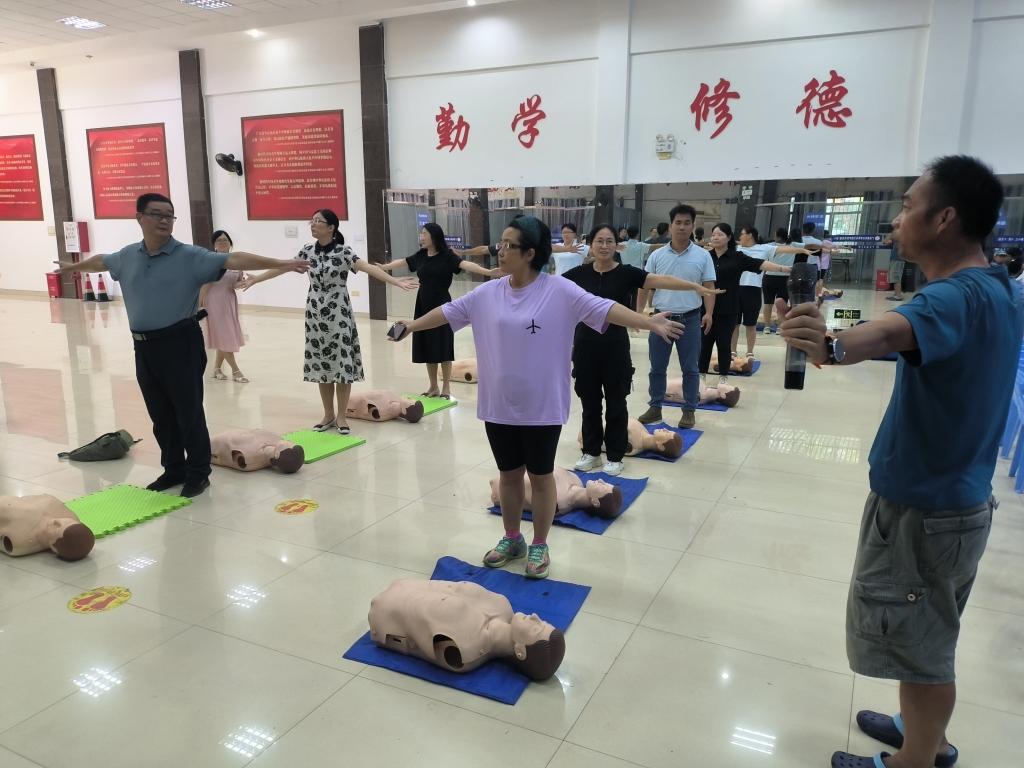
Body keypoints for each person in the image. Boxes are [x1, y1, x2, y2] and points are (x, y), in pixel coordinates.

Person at [778, 156, 1022, 768]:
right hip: (957, 500)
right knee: (928, 629)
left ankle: (917, 759)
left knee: (922, 650)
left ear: (944, 218)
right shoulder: (998, 287)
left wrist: (831, 346)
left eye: (909, 205)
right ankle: (923, 735)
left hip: (926, 509)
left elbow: (889, 332)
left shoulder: (953, 295)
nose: (896, 218)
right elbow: (908, 337)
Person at [388, 215, 683, 580]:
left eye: (508, 245)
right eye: (500, 244)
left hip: (542, 405)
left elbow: (605, 308)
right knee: (509, 476)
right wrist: (411, 326)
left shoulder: (559, 291)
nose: (500, 251)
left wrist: (648, 322)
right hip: (499, 403)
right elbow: (448, 312)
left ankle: (540, 543)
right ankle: (512, 538)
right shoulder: (488, 293)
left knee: (541, 477)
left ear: (529, 253)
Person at [55, 193, 309, 497]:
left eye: (169, 215)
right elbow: (101, 260)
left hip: (180, 343)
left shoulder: (190, 256)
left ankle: (198, 473)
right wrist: (72, 267)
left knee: (188, 413)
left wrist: (282, 263)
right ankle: (173, 469)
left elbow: (233, 259)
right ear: (140, 218)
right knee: (160, 414)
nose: (165, 220)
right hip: (144, 347)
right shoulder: (127, 256)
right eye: (157, 214)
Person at [564, 223, 722, 476]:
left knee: (616, 403)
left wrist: (694, 286)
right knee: (590, 403)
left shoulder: (626, 273)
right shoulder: (576, 275)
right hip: (585, 347)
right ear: (591, 245)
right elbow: (547, 289)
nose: (604, 246)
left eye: (609, 241)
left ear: (617, 246)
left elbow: (660, 280)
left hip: (615, 347)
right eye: (599, 241)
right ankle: (591, 452)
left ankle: (615, 455)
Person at [242, 209, 416, 435]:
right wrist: (257, 278)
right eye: (312, 221)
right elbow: (283, 267)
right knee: (321, 364)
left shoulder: (344, 252)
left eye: (318, 221)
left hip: (339, 313)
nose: (313, 225)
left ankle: (342, 416)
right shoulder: (307, 251)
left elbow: (368, 268)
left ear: (331, 227)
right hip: (315, 313)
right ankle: (328, 414)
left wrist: (395, 282)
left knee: (341, 363)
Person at [377, 223, 498, 398]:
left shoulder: (447, 256)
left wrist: (488, 272)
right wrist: (384, 268)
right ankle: (433, 386)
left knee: (443, 346)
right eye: (421, 234)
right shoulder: (421, 255)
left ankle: (446, 387)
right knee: (427, 346)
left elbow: (465, 265)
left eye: (424, 233)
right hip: (422, 304)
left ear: (434, 236)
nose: (421, 237)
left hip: (442, 304)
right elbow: (403, 262)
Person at [635, 204, 716, 430]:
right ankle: (655, 407)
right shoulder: (657, 255)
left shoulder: (703, 256)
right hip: (661, 319)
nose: (682, 227)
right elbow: (644, 286)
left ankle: (689, 409)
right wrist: (638, 314)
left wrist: (709, 313)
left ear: (693, 226)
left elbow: (709, 286)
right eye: (678, 223)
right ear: (670, 226)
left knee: (690, 368)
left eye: (687, 223)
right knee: (657, 367)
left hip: (690, 319)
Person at [699, 223, 790, 386]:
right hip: (706, 308)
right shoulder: (705, 256)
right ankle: (701, 378)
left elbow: (759, 264)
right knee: (704, 344)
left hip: (728, 307)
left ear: (728, 237)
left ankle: (723, 378)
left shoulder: (737, 257)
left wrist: (784, 269)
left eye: (719, 234)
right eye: (713, 235)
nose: (715, 237)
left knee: (724, 344)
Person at [731, 226, 812, 360]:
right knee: (734, 323)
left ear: (750, 235)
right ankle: (732, 351)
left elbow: (784, 249)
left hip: (753, 289)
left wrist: (802, 250)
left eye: (742, 234)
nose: (740, 237)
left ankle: (750, 351)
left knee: (750, 324)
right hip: (736, 288)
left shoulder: (764, 248)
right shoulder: (736, 249)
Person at [200, 230, 249, 383]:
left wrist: (242, 283)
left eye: (225, 240)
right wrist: (200, 302)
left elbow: (235, 283)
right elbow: (204, 282)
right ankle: (236, 371)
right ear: (214, 245)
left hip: (229, 301)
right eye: (219, 240)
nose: (222, 242)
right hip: (213, 302)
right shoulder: (210, 261)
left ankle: (217, 369)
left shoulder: (236, 263)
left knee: (223, 335)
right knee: (225, 335)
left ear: (230, 243)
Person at [884, 235, 906, 301]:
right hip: (897, 259)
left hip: (897, 259)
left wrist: (888, 236)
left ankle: (898, 296)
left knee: (896, 277)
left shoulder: (898, 236)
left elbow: (886, 242)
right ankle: (896, 294)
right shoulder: (900, 236)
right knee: (895, 277)